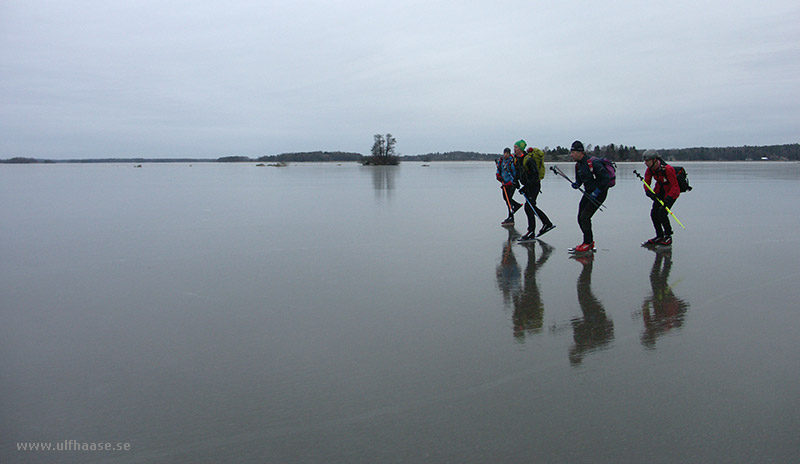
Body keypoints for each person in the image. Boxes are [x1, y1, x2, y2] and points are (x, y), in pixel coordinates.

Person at [569, 140, 611, 252]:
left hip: (600, 193)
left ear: (580, 152)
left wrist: (597, 192)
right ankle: (588, 242)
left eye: (573, 152)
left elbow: (606, 179)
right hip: (588, 193)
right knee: (580, 217)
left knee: (585, 217)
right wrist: (576, 184)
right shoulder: (578, 165)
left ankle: (588, 243)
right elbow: (579, 180)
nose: (571, 155)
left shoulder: (593, 163)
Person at [513, 140, 555, 242]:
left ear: (521, 149)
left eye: (516, 147)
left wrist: (526, 186)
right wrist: (516, 181)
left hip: (534, 186)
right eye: (514, 147)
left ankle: (533, 230)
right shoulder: (517, 159)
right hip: (527, 186)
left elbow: (535, 175)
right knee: (531, 207)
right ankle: (546, 224)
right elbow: (519, 172)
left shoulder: (528, 160)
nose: (514, 149)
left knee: (529, 207)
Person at [641, 149, 680, 246]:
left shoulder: (667, 169)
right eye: (645, 161)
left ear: (654, 160)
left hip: (672, 193)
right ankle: (659, 235)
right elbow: (647, 182)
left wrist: (668, 199)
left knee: (662, 213)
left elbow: (675, 186)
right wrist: (648, 192)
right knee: (654, 214)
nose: (646, 163)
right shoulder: (650, 169)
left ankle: (668, 236)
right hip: (660, 192)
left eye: (647, 161)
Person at [496, 147, 522, 225]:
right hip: (504, 183)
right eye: (504, 153)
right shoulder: (502, 161)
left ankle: (511, 217)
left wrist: (511, 182)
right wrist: (498, 175)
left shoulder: (511, 162)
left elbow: (514, 174)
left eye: (507, 153)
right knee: (506, 198)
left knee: (509, 199)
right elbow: (499, 169)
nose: (505, 155)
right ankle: (515, 206)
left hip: (511, 184)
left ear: (509, 153)